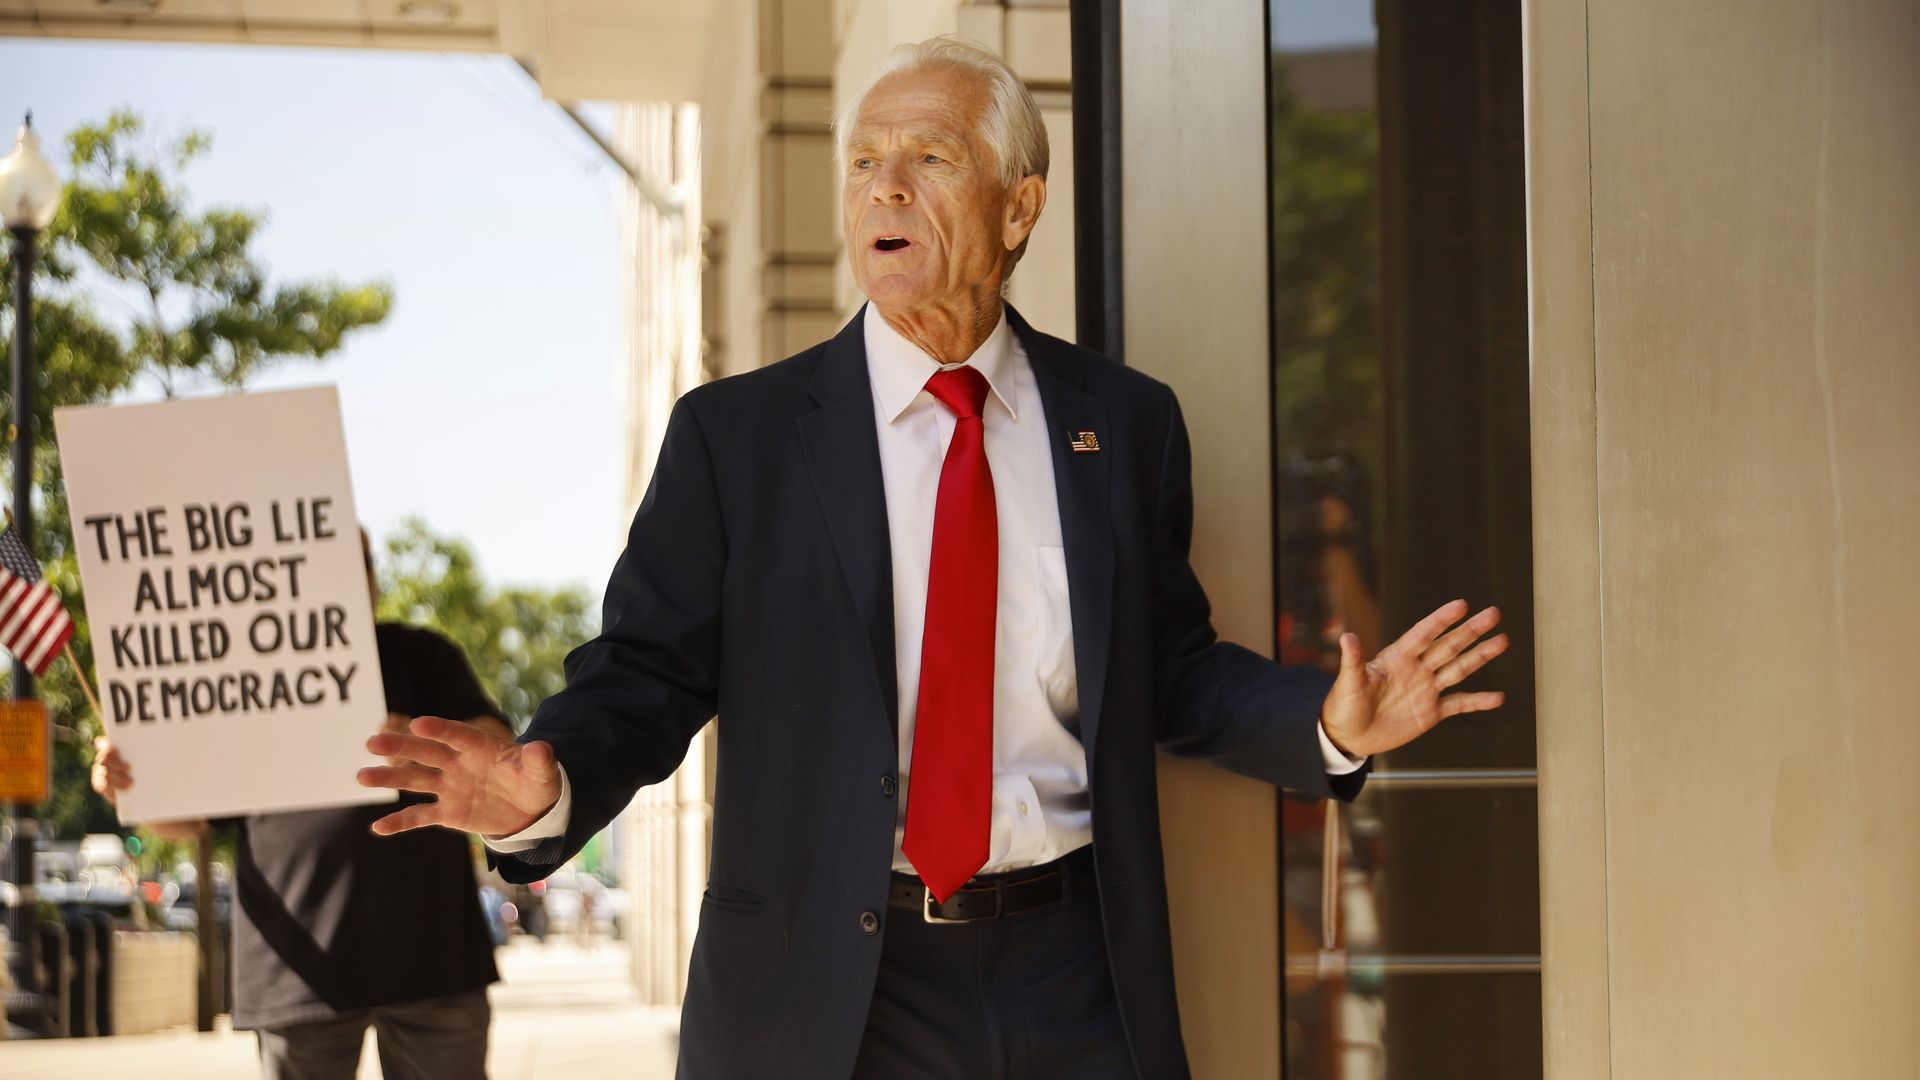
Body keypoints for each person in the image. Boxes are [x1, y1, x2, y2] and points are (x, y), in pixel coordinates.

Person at [358, 36, 1509, 1080]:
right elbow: (647, 672)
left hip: (1074, 972)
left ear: (1020, 208)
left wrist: (1329, 722)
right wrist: (549, 782)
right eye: (862, 163)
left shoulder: (1124, 423)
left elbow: (1170, 666)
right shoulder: (739, 437)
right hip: (832, 988)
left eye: (928, 158)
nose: (883, 188)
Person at [94, 531, 506, 1080]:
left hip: (431, 962)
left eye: (354, 563)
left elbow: (497, 746)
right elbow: (188, 819)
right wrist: (133, 789)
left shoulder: (420, 655)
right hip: (297, 970)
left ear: (371, 580)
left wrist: (425, 743)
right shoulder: (236, 674)